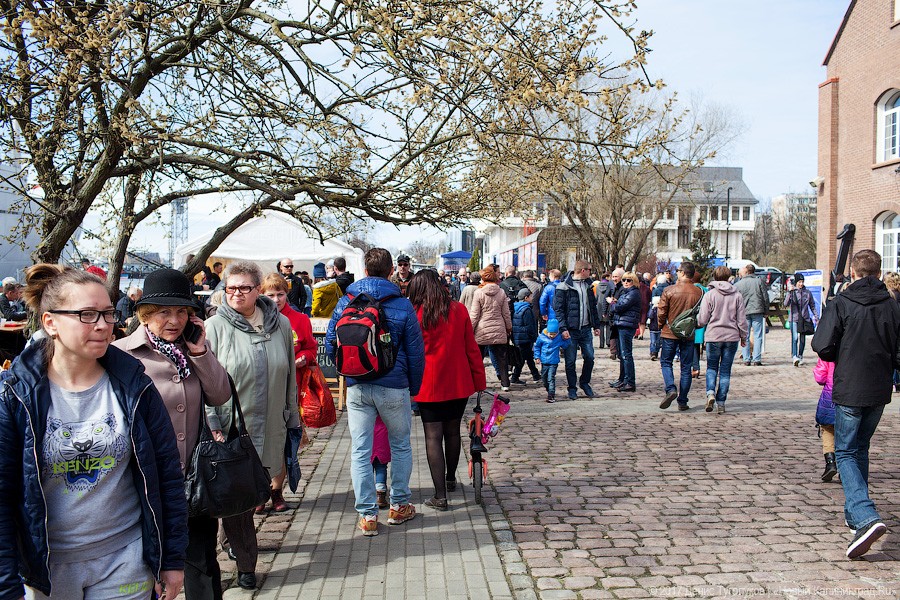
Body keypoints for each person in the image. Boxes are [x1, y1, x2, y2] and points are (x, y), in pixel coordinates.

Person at [0, 264, 187, 599]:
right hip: (45, 571)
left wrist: (172, 559)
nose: (103, 325)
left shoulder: (135, 385)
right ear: (50, 322)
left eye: (108, 313)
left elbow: (167, 476)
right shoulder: (15, 396)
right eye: (87, 314)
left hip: (126, 560)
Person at [113, 268, 231, 599]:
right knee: (145, 571)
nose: (174, 320)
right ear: (146, 315)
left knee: (201, 568)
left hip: (192, 484)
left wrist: (199, 353)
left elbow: (220, 394)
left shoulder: (192, 351)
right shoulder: (120, 354)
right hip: (142, 486)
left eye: (181, 311)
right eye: (164, 311)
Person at [204, 262, 301, 589]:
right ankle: (246, 564)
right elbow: (206, 379)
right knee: (240, 499)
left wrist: (292, 414)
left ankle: (234, 541)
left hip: (271, 423)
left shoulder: (281, 324)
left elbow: (289, 373)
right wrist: (213, 421)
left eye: (244, 287)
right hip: (231, 429)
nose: (236, 294)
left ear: (258, 290)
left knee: (257, 488)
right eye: (230, 288)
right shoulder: (214, 326)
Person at [325, 248, 425, 536]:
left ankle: (367, 515)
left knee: (360, 449)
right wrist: (414, 389)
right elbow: (416, 352)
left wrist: (348, 370)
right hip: (394, 386)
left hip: (357, 386)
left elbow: (332, 341)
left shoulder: (347, 300)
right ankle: (399, 506)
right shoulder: (402, 304)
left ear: (365, 270)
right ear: (391, 269)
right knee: (401, 445)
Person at [812, 249, 899, 559]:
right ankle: (854, 516)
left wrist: (841, 353)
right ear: (878, 272)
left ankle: (865, 517)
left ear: (853, 272)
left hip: (850, 387)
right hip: (877, 388)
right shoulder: (891, 305)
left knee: (846, 450)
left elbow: (821, 344)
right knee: (859, 448)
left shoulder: (842, 303)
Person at [407, 269, 485, 510]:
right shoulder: (457, 309)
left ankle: (440, 495)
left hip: (428, 382)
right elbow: (471, 348)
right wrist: (479, 381)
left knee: (433, 436)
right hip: (457, 380)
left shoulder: (414, 313)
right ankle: (451, 479)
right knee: (452, 433)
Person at [260, 273, 317, 429]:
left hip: (292, 384)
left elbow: (311, 348)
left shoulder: (300, 319)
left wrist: (301, 357)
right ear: (262, 295)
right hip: (263, 383)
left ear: (287, 294)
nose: (276, 300)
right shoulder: (255, 319)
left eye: (280, 294)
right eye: (270, 295)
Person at [696, 266, 748, 414]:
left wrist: (698, 323)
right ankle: (721, 402)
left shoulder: (710, 294)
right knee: (725, 371)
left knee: (712, 367)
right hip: (731, 337)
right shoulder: (737, 295)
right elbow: (741, 320)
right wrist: (743, 336)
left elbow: (703, 318)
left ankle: (710, 392)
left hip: (714, 336)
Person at [657, 262, 703, 411]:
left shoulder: (669, 290)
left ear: (683, 273)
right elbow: (701, 315)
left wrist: (660, 325)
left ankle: (671, 389)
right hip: (688, 333)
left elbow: (662, 311)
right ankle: (682, 401)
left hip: (670, 332)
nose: (676, 273)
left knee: (666, 362)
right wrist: (696, 327)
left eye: (678, 270)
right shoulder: (699, 292)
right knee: (686, 367)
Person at [552, 260, 601, 399]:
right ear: (583, 270)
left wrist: (596, 326)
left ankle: (584, 383)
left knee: (590, 357)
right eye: (589, 270)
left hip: (585, 329)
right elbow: (558, 310)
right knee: (570, 361)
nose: (591, 272)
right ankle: (572, 388)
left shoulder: (588, 286)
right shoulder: (563, 287)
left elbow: (592, 307)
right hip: (570, 330)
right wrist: (563, 328)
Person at [470, 266, 513, 392]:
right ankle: (505, 383)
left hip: (482, 329)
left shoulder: (478, 293)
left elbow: (474, 314)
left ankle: (478, 383)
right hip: (498, 327)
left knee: (478, 359)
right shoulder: (501, 292)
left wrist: (470, 329)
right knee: (502, 358)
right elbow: (506, 313)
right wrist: (509, 327)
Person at [607, 272, 642, 392]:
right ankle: (623, 379)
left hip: (626, 325)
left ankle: (630, 381)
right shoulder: (626, 292)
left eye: (629, 280)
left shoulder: (634, 293)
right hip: (621, 324)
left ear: (634, 281)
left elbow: (619, 307)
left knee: (626, 354)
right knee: (622, 354)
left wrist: (612, 303)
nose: (626, 282)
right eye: (624, 280)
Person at [734, 264, 769, 366]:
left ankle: (746, 358)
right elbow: (765, 297)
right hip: (757, 311)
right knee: (758, 335)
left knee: (745, 335)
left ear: (746, 271)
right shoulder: (759, 281)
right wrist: (766, 311)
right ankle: (757, 358)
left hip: (744, 312)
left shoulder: (739, 284)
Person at [784, 272, 817, 367]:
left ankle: (800, 355)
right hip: (794, 318)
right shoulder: (793, 291)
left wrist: (816, 317)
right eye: (799, 282)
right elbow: (785, 304)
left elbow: (812, 305)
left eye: (802, 282)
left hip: (804, 318)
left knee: (802, 339)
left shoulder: (808, 293)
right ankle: (794, 356)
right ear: (796, 282)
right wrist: (789, 292)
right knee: (795, 338)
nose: (801, 284)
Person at [533, 319, 569, 402]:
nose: (552, 336)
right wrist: (537, 357)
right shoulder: (542, 337)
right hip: (544, 361)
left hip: (553, 361)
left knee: (551, 378)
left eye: (554, 334)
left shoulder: (559, 338)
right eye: (550, 334)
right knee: (544, 377)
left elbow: (565, 345)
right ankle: (548, 389)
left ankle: (551, 395)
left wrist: (567, 339)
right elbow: (537, 347)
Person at [814, 357, 838, 483]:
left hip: (831, 396)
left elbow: (820, 377)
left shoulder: (829, 350)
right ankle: (847, 467)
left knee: (828, 429)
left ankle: (830, 462)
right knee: (848, 431)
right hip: (853, 394)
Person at [510, 288, 541, 385]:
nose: (532, 298)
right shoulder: (527, 309)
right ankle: (515, 377)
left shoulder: (515, 307)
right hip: (525, 338)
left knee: (528, 357)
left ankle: (536, 375)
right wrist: (534, 337)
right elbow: (530, 326)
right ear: (526, 297)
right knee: (522, 359)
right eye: (531, 296)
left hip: (518, 337)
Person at [372, 416, 391, 509]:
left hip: (368, 440)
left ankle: (366, 494)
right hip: (382, 438)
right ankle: (380, 494)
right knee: (381, 467)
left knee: (366, 468)